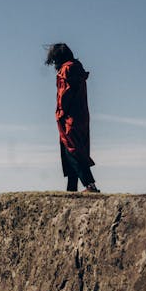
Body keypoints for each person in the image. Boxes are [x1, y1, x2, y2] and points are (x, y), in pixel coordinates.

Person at [45, 43, 100, 193]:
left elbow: (64, 95)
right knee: (74, 150)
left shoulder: (66, 70)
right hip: (81, 115)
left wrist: (60, 114)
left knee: (72, 151)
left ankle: (90, 185)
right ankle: (71, 188)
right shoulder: (77, 67)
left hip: (69, 117)